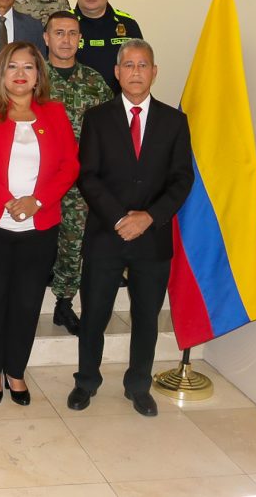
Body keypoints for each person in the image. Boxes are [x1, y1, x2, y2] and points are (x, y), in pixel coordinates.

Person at [68, 40, 193, 418]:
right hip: (106, 234)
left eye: (143, 65)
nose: (136, 72)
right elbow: (88, 176)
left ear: (154, 72)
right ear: (117, 72)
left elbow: (182, 179)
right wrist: (120, 218)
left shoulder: (175, 121)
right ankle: (86, 380)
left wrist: (149, 217)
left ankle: (139, 384)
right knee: (94, 314)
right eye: (128, 65)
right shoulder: (97, 117)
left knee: (146, 317)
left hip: (152, 238)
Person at [0, 42, 78, 406]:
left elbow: (70, 165)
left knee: (26, 303)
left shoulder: (55, 113)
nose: (21, 74)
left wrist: (36, 202)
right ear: (1, 74)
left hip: (38, 228)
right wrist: (7, 201)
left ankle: (15, 370)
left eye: (28, 67)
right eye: (12, 66)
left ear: (38, 75)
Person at [44, 12, 113, 334]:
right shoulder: (33, 78)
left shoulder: (94, 82)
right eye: (59, 33)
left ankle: (64, 301)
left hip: (79, 180)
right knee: (35, 242)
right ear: (46, 38)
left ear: (80, 40)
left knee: (73, 241)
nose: (66, 40)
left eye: (72, 33)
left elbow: (110, 130)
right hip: (38, 178)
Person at [73, 0, 144, 93]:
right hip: (73, 102)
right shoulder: (62, 25)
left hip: (118, 103)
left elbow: (140, 68)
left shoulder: (128, 24)